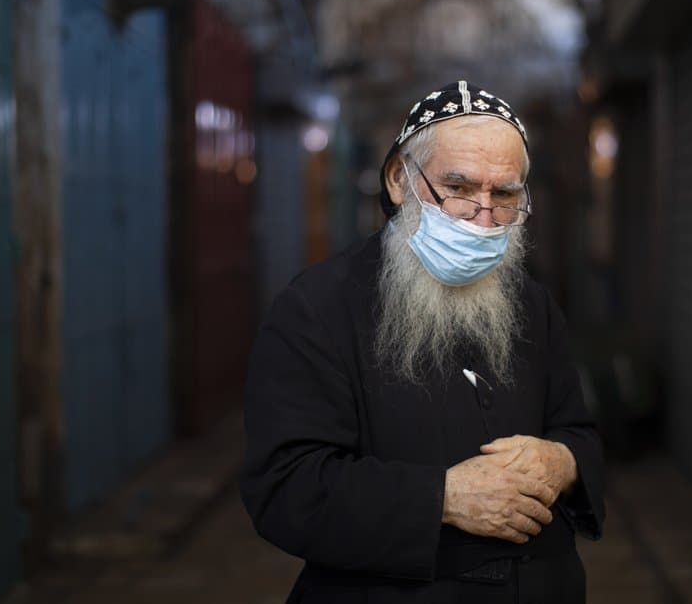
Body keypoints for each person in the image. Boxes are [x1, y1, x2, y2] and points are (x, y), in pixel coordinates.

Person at [241, 80, 605, 603]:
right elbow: (284, 486)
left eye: (504, 195)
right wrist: (444, 498)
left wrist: (563, 462)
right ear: (399, 180)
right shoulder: (316, 308)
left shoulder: (532, 303)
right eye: (458, 188)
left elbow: (579, 430)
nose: (483, 218)